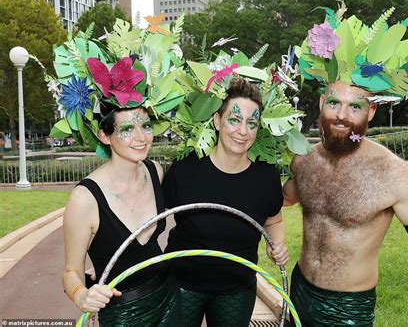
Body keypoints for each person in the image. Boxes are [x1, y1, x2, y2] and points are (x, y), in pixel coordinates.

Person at [283, 6, 408, 326]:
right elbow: (282, 199)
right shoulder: (304, 159)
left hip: (347, 309)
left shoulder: (393, 174)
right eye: (335, 102)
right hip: (298, 291)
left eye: (355, 106)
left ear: (370, 112)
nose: (342, 115)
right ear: (322, 103)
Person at [46, 17, 186, 325]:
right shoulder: (85, 199)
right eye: (126, 129)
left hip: (169, 298)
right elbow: (70, 271)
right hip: (123, 314)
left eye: (146, 126)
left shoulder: (155, 172)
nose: (141, 137)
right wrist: (81, 294)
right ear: (104, 135)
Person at [162, 78, 291, 327]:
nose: (242, 131)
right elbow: (151, 219)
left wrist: (277, 245)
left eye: (251, 123)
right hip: (181, 283)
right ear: (217, 121)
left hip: (236, 288)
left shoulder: (266, 177)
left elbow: (273, 219)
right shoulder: (185, 170)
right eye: (234, 119)